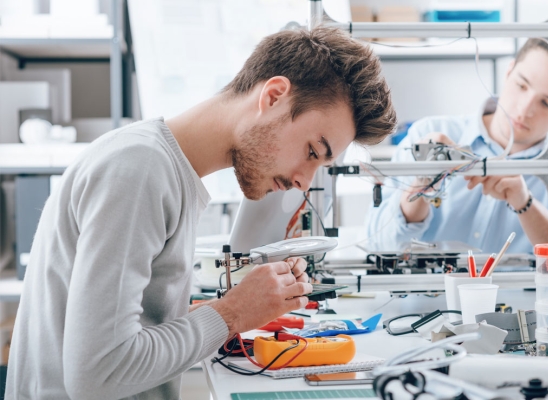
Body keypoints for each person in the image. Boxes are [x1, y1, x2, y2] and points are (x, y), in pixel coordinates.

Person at [6, 27, 396, 399]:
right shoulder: (139, 169)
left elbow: (130, 327)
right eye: (313, 151)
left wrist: (242, 306)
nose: (303, 183)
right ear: (274, 96)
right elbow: (98, 373)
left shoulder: (164, 167)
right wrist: (232, 313)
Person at [366, 37, 548, 254]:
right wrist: (419, 187)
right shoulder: (428, 134)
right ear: (509, 71)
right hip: (424, 301)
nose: (525, 109)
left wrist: (525, 204)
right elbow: (377, 245)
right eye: (522, 85)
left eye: (547, 103)